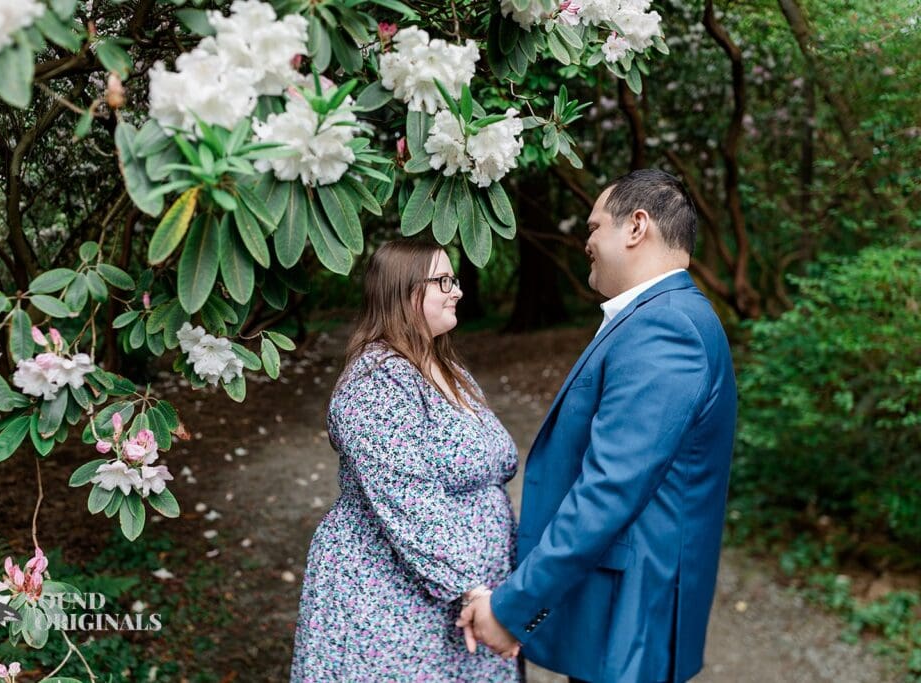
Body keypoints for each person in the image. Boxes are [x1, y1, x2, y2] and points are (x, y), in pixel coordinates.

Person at [458, 169, 738, 683]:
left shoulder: (666, 327)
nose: (585, 241)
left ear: (636, 227)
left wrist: (511, 607)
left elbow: (609, 489)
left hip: (630, 622)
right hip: (617, 617)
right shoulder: (660, 316)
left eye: (593, 227)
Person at [290, 240, 521, 682]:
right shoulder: (376, 381)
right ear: (403, 292)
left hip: (463, 597)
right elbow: (409, 501)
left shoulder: (445, 367)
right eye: (443, 282)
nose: (457, 291)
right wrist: (470, 588)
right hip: (392, 601)